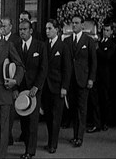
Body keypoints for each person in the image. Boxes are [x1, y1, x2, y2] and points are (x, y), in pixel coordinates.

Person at [0, 18, 24, 158]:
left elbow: (20, 66)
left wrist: (15, 81)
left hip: (3, 94)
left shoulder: (8, 46)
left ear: (2, 29)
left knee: (2, 131)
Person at [14, 20, 47, 159]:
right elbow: (12, 67)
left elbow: (44, 68)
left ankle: (30, 151)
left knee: (33, 121)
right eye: (20, 29)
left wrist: (37, 86)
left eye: (25, 29)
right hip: (21, 88)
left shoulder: (40, 46)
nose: (22, 32)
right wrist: (15, 87)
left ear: (31, 31)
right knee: (24, 121)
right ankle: (26, 145)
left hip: (34, 90)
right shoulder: (15, 46)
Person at [64, 15, 97, 147]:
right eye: (73, 23)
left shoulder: (88, 41)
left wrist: (91, 79)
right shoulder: (67, 41)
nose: (74, 25)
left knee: (82, 109)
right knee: (73, 108)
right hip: (71, 80)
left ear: (82, 25)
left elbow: (93, 62)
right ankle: (75, 135)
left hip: (83, 80)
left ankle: (80, 137)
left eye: (77, 23)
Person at [43, 19, 71, 154]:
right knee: (48, 116)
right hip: (46, 87)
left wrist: (64, 87)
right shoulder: (44, 45)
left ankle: (53, 144)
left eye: (49, 28)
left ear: (57, 30)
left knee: (56, 117)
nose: (47, 31)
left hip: (58, 87)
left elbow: (67, 69)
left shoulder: (63, 46)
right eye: (46, 29)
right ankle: (50, 141)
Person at [87, 22, 116, 133]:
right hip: (96, 75)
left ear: (112, 32)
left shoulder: (112, 44)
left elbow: (107, 57)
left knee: (105, 100)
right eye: (104, 30)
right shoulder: (98, 42)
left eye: (108, 30)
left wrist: (98, 49)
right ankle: (96, 123)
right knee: (95, 100)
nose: (105, 32)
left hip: (105, 76)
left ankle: (105, 122)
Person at [1, 16, 21, 146]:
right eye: (0, 25)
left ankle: (7, 139)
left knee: (8, 116)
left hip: (9, 86)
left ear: (10, 27)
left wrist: (15, 86)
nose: (2, 28)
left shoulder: (16, 42)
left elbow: (18, 65)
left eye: (4, 26)